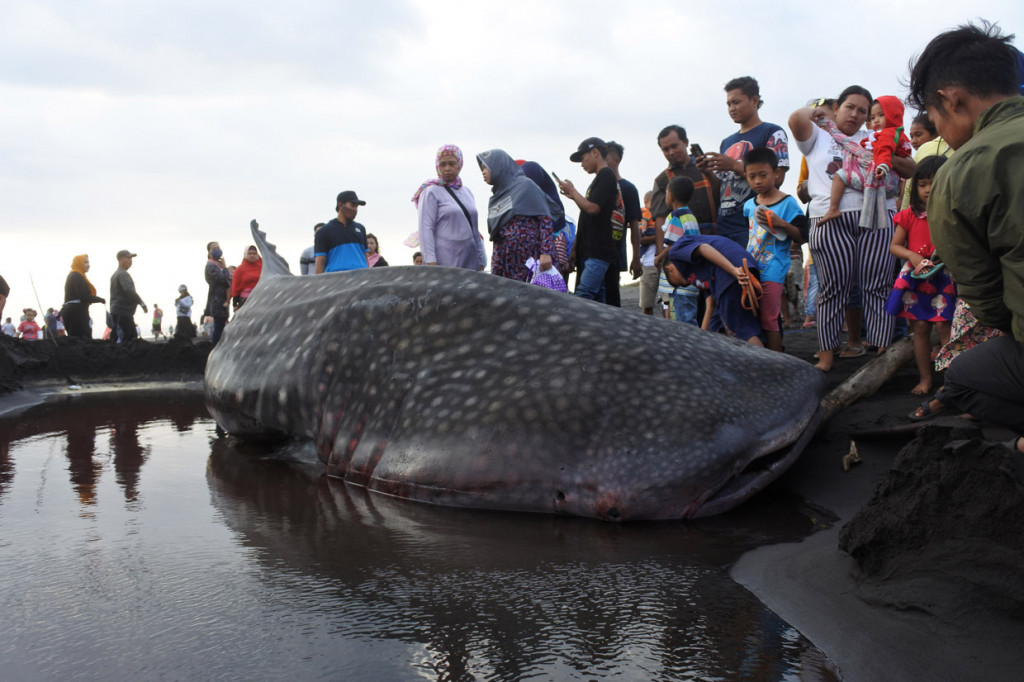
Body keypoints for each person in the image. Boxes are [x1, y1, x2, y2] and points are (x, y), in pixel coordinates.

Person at [907, 20, 1024, 452]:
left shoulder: (961, 171)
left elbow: (988, 303)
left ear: (950, 99)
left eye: (935, 121)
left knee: (962, 376)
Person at [789, 87, 916, 371]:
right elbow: (796, 119)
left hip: (878, 216)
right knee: (833, 289)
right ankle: (826, 354)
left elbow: (911, 168)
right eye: (850, 107)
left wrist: (881, 156)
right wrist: (817, 114)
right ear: (836, 107)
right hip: (829, 219)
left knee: (878, 286)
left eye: (863, 111)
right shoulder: (818, 135)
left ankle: (883, 352)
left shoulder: (877, 136)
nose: (856, 115)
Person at [885, 156, 955, 395]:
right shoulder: (909, 215)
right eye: (923, 184)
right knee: (921, 329)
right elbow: (895, 245)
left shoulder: (952, 212)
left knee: (946, 328)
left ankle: (951, 381)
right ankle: (925, 379)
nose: (927, 189)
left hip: (944, 276)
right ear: (915, 188)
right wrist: (913, 257)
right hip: (916, 279)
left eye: (933, 183)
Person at [695, 78, 789, 247]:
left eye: (736, 102)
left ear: (754, 100)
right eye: (728, 104)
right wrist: (707, 172)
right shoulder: (726, 142)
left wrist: (734, 165)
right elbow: (721, 190)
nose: (732, 108)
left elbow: (778, 178)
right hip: (725, 225)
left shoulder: (772, 132)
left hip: (756, 224)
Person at [741, 148, 808, 351]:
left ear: (775, 173)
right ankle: (763, 356)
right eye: (752, 176)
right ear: (746, 176)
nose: (758, 181)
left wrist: (781, 224)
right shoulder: (748, 205)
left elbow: (802, 235)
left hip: (774, 268)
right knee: (753, 313)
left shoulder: (787, 203)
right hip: (752, 268)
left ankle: (777, 357)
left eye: (763, 175)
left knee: (769, 316)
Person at [819, 96, 913, 230]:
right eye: (873, 117)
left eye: (881, 115)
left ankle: (833, 208)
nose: (876, 120)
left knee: (840, 175)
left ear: (894, 115)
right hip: (886, 182)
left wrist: (882, 164)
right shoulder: (892, 133)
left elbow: (884, 150)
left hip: (878, 176)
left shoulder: (888, 133)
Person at [665, 235, 764, 346]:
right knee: (716, 326)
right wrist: (701, 336)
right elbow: (711, 303)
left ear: (669, 269)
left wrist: (734, 270)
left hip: (731, 273)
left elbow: (704, 248)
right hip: (736, 273)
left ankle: (765, 362)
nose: (685, 285)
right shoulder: (698, 273)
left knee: (740, 331)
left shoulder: (675, 251)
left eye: (678, 284)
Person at [557, 137, 620, 303]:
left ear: (595, 152)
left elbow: (593, 208)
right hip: (591, 250)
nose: (582, 164)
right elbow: (588, 214)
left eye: (583, 158)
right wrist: (573, 196)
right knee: (598, 302)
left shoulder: (606, 175)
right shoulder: (599, 178)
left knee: (583, 297)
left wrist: (573, 190)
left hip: (598, 251)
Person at [476, 148, 554, 282]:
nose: (483, 172)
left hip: (531, 262)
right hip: (507, 263)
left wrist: (546, 253)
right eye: (482, 168)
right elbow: (497, 237)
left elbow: (545, 219)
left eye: (486, 168)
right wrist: (496, 270)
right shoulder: (496, 199)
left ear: (498, 166)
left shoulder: (526, 186)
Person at [414, 144, 486, 270]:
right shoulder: (431, 191)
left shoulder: (467, 192)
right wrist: (431, 263)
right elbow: (426, 229)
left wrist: (481, 259)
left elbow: (475, 230)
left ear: (459, 164)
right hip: (445, 261)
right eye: (443, 164)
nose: (447, 168)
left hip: (469, 260)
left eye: (452, 163)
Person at [650, 125, 718, 237]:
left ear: (686, 142)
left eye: (674, 146)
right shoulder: (661, 180)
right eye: (666, 149)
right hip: (685, 244)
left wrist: (709, 173)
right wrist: (661, 252)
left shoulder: (708, 167)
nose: (671, 152)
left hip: (718, 237)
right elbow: (660, 219)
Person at [604, 141, 643, 306]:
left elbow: (634, 225)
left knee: (612, 300)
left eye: (605, 157)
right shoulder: (596, 186)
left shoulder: (628, 189)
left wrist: (636, 258)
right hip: (592, 253)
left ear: (616, 160)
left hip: (614, 252)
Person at [520, 160, 572, 280]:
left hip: (544, 260)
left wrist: (545, 252)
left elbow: (547, 224)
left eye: (528, 178)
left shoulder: (543, 206)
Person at [315, 191, 369, 274]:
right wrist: (317, 283)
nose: (355, 209)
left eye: (356, 207)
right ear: (340, 205)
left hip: (361, 276)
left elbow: (365, 256)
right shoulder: (324, 231)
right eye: (352, 205)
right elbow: (320, 261)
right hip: (337, 279)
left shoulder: (361, 228)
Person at [62, 254, 105, 339]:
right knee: (82, 338)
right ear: (79, 263)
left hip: (72, 311)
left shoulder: (75, 275)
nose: (88, 265)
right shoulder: (77, 276)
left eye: (88, 262)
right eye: (85, 262)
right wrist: (99, 299)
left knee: (75, 338)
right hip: (76, 313)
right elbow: (83, 296)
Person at [109, 250, 147, 344]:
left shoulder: (116, 274)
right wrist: (142, 303)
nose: (131, 261)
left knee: (128, 337)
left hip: (120, 313)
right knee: (127, 339)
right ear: (120, 259)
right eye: (128, 258)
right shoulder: (122, 274)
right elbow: (129, 290)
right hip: (122, 313)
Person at [638, 191, 659, 315]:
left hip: (663, 264)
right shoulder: (645, 214)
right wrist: (658, 237)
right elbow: (639, 238)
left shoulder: (662, 215)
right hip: (648, 264)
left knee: (667, 304)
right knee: (647, 304)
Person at [204, 247, 231, 345]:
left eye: (218, 248)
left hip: (223, 299)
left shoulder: (217, 265)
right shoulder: (210, 266)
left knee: (222, 325)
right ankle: (215, 348)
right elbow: (223, 278)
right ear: (209, 252)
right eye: (214, 248)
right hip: (217, 300)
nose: (218, 250)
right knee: (219, 327)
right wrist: (224, 267)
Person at [231, 245, 263, 311]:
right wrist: (235, 304)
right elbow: (235, 287)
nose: (252, 255)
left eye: (254, 253)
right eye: (249, 253)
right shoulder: (240, 269)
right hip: (246, 300)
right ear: (245, 254)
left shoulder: (264, 268)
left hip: (262, 298)